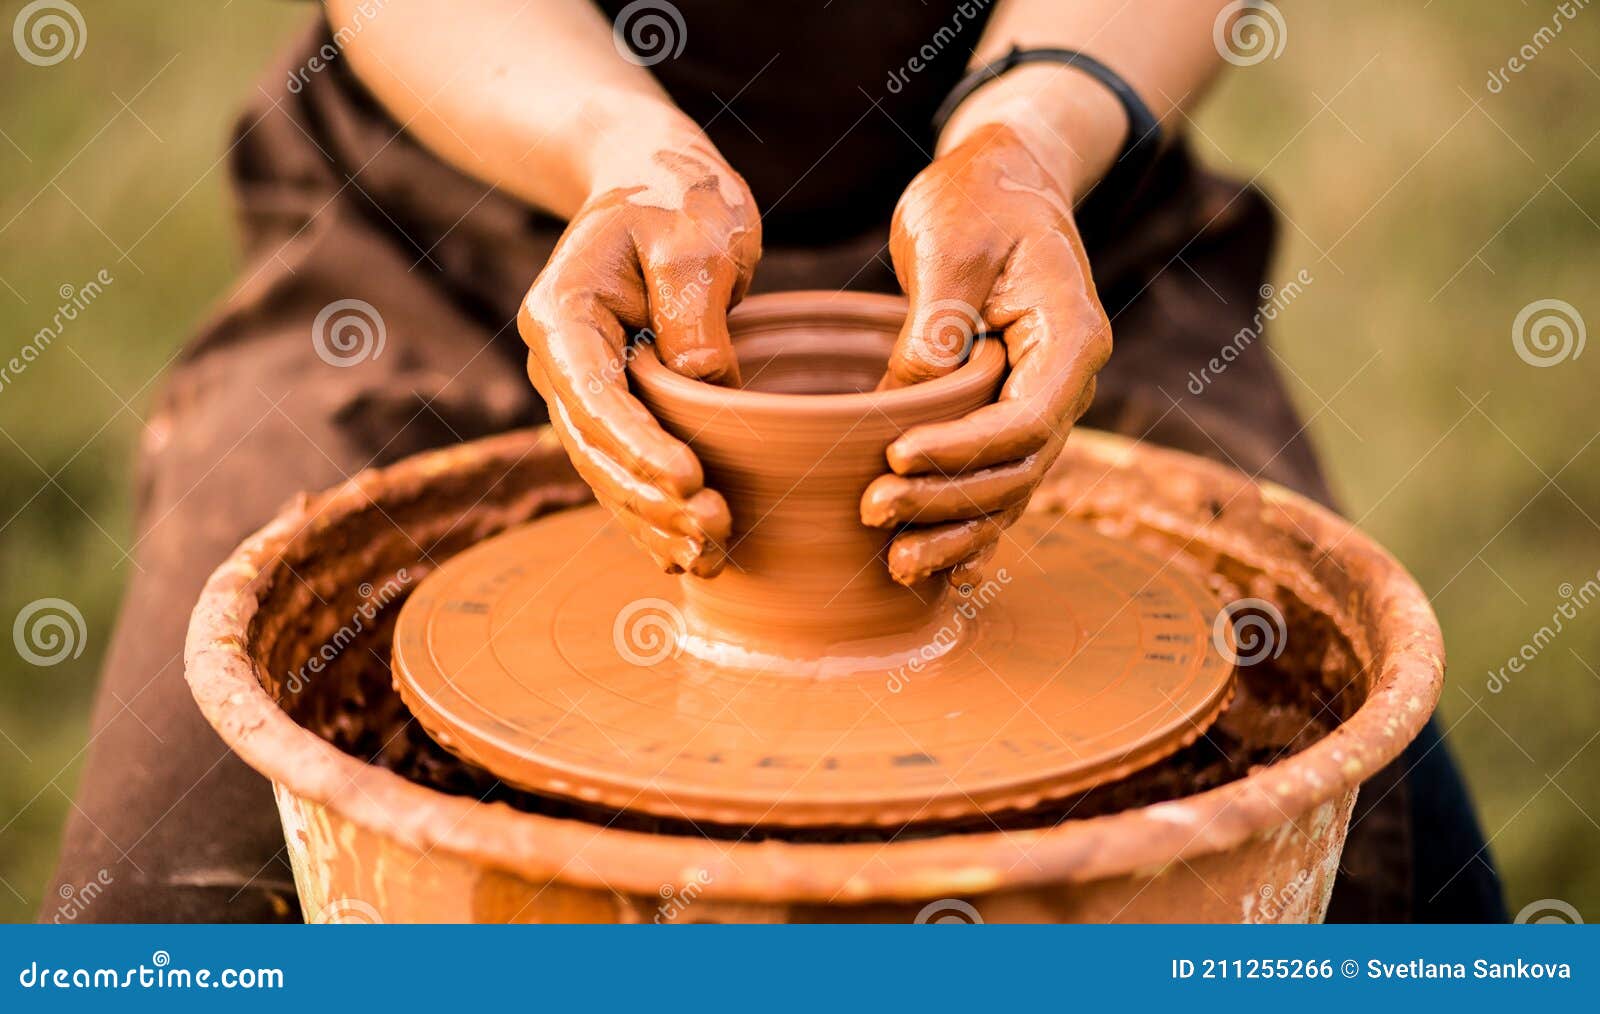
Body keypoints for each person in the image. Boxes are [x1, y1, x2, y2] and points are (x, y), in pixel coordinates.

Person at [45, 0, 1504, 922]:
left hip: (1046, 231)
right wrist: (623, 150)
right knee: (164, 893)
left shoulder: (1035, 175)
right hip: (485, 201)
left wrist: (1027, 135)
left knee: (1367, 817)